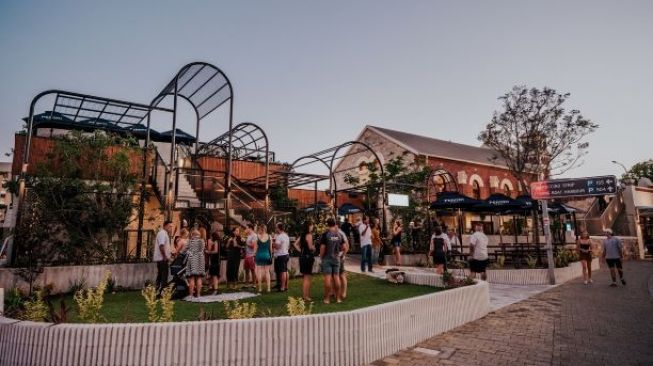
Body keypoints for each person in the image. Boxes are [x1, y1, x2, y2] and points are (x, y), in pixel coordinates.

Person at [320, 218, 345, 304]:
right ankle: (338, 298)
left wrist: (321, 256)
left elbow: (322, 248)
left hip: (327, 258)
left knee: (328, 278)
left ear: (327, 224)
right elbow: (344, 247)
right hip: (337, 258)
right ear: (334, 224)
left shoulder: (325, 234)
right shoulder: (339, 235)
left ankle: (327, 299)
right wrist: (342, 255)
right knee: (336, 277)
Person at [293, 220, 316, 301]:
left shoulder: (302, 235)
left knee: (305, 277)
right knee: (307, 277)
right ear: (308, 226)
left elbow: (295, 244)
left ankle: (305, 295)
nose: (312, 227)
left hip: (302, 257)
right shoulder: (309, 235)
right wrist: (314, 247)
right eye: (312, 225)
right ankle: (306, 296)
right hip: (308, 257)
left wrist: (300, 251)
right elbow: (310, 247)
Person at [154, 220, 174, 294]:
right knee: (163, 276)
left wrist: (170, 253)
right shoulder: (162, 233)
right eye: (170, 226)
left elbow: (164, 246)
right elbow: (161, 245)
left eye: (171, 227)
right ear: (165, 226)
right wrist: (165, 256)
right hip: (162, 259)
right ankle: (162, 292)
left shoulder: (163, 233)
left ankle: (157, 291)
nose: (171, 228)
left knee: (160, 275)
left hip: (162, 258)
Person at [185, 229, 206, 298]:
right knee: (199, 277)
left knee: (192, 278)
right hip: (200, 259)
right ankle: (198, 294)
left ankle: (191, 295)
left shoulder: (190, 241)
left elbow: (185, 250)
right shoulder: (202, 241)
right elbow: (203, 249)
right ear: (199, 235)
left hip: (192, 259)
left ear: (192, 234)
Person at [255, 224, 273, 292]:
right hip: (267, 255)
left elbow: (256, 248)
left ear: (261, 229)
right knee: (267, 272)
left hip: (259, 255)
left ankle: (260, 288)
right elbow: (270, 249)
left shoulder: (257, 237)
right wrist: (271, 256)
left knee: (259, 272)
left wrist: (255, 255)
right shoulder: (269, 236)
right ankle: (268, 288)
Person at [273, 223, 290, 292]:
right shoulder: (286, 235)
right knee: (285, 271)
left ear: (278, 228)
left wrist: (272, 243)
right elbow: (288, 246)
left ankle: (282, 287)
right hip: (286, 254)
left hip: (281, 255)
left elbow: (277, 247)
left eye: (276, 227)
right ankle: (285, 286)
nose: (275, 229)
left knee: (282, 271)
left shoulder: (280, 236)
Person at [206, 231, 221, 295]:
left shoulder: (216, 242)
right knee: (212, 275)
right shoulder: (215, 242)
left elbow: (215, 251)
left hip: (215, 261)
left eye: (211, 236)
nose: (210, 237)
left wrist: (208, 252)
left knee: (214, 275)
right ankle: (211, 287)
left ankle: (215, 289)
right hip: (214, 261)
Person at [244, 223, 258, 289]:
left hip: (252, 255)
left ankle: (254, 284)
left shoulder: (254, 235)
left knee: (253, 270)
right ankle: (247, 284)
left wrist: (246, 242)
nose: (245, 229)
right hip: (247, 255)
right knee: (246, 270)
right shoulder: (248, 236)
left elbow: (253, 245)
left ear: (250, 228)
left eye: (246, 228)